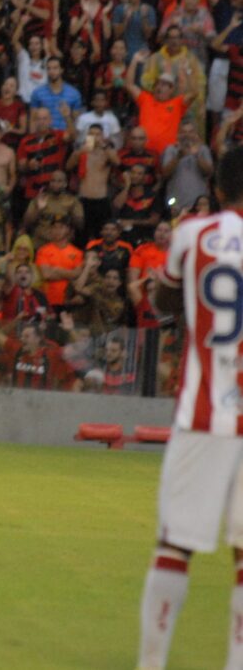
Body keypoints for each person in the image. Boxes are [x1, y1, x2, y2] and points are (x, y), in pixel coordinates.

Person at [136, 147, 243, 670]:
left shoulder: (191, 235)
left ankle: (153, 661)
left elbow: (164, 302)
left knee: (175, 542)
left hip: (203, 413)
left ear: (217, 188)